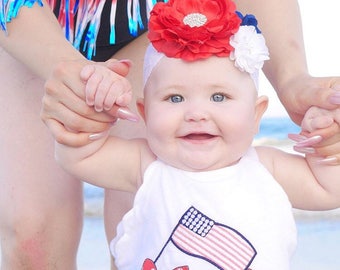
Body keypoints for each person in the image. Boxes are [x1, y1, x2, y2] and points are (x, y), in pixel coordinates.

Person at [52, 0, 340, 268]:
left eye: (219, 97)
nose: (196, 113)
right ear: (145, 112)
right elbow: (79, 156)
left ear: (256, 115)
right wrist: (96, 102)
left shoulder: (268, 169)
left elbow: (329, 189)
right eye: (175, 98)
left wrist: (325, 137)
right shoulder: (146, 165)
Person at [0, 0, 164, 269]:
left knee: (148, 223)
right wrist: (80, 75)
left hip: (156, 22)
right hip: (27, 19)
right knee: (31, 239)